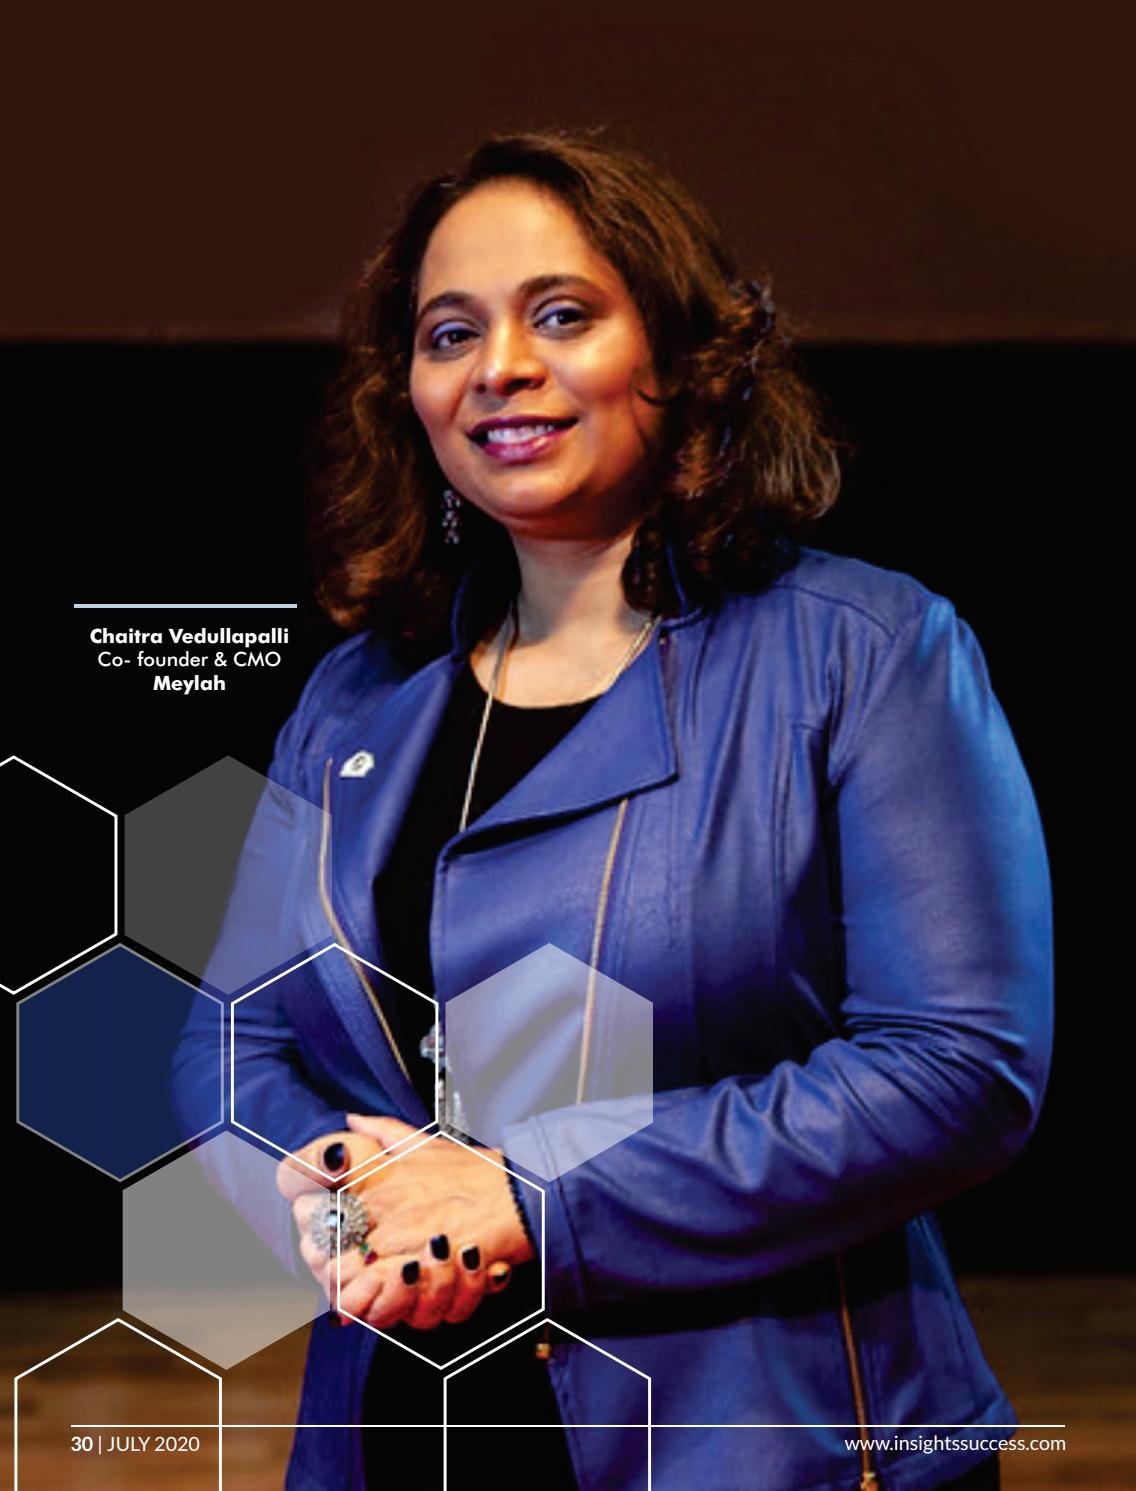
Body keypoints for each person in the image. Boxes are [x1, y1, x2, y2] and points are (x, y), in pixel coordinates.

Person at [173, 127, 1053, 1491]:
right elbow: (232, 1044)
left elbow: (956, 1070)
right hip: (403, 1431)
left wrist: (527, 1199)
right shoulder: (359, 695)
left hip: (766, 1441)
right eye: (449, 333)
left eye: (562, 316)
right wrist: (336, 1185)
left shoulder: (867, 652)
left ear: (685, 354)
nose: (500, 367)